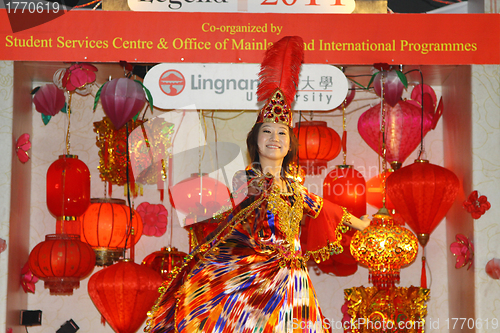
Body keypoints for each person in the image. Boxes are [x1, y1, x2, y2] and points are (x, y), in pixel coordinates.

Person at [146, 36, 370, 333]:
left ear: (290, 145)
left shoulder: (295, 187)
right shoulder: (248, 180)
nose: (274, 138)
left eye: (281, 133)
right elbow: (235, 216)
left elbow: (328, 210)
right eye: (267, 131)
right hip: (256, 273)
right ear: (255, 140)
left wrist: (365, 224)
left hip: (293, 276)